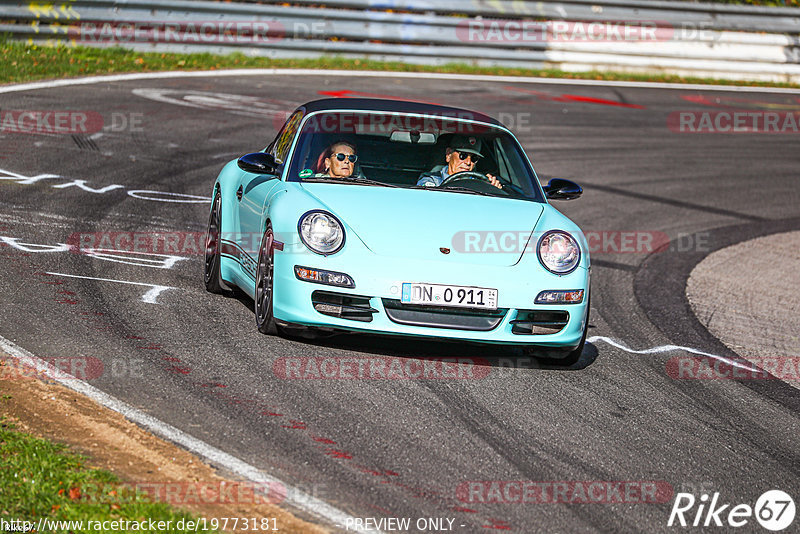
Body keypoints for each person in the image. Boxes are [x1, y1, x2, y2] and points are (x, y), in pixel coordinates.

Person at [417, 135, 501, 189]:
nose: (468, 162)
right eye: (463, 155)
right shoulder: (432, 181)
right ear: (449, 154)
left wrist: (492, 188)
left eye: (474, 158)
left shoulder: (481, 183)